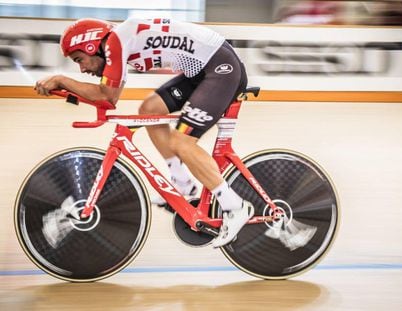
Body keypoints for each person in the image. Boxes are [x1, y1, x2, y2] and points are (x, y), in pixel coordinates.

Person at [35, 17, 254, 247]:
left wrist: (61, 80)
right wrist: (66, 88)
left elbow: (107, 97)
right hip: (202, 70)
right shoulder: (117, 42)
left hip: (220, 69)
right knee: (150, 109)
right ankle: (182, 182)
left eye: (80, 59)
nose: (81, 68)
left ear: (91, 46)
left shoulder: (116, 42)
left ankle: (235, 207)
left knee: (182, 142)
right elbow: (106, 98)